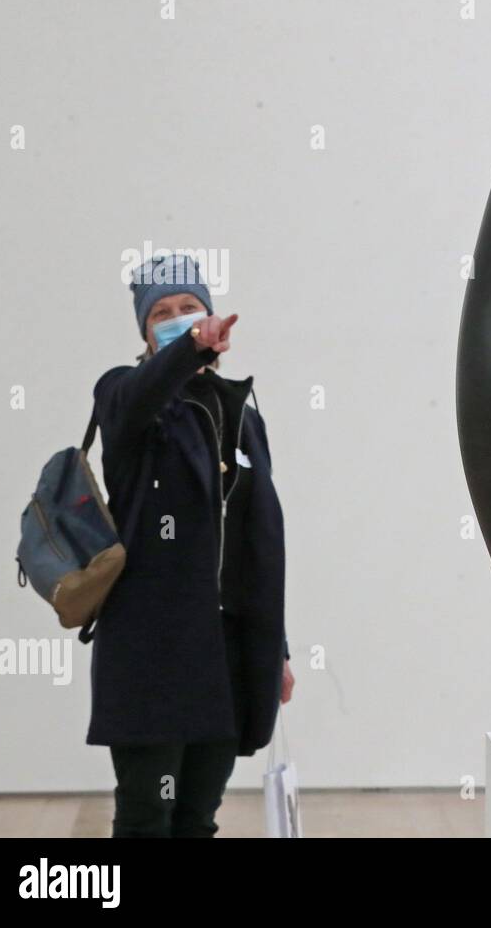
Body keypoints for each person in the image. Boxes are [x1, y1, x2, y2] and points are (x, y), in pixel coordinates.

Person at [87, 253, 294, 836]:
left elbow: (257, 540)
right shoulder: (125, 399)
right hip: (151, 647)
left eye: (189, 308)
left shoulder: (241, 413)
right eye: (162, 313)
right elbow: (141, 395)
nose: (178, 319)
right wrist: (189, 352)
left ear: (211, 313)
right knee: (147, 814)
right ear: (144, 332)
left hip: (225, 648)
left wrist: (275, 643)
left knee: (198, 814)